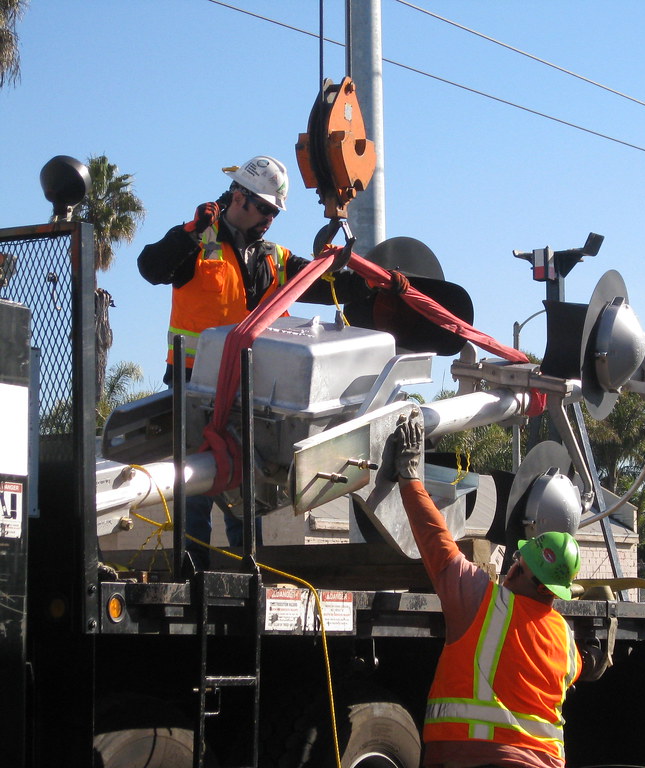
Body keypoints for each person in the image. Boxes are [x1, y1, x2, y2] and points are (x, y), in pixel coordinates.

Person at [137, 155, 408, 568]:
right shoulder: (196, 241)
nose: (269, 218)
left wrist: (380, 282)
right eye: (264, 209)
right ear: (239, 197)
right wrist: (190, 231)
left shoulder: (274, 259)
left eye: (274, 212)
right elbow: (150, 267)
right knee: (195, 486)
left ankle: (249, 571)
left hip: (249, 393)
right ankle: (192, 573)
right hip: (192, 388)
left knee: (247, 491)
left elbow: (326, 284)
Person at [386, 411, 586, 768]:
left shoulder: (484, 601)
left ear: (532, 578)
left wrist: (410, 479)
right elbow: (575, 670)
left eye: (519, 565)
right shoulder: (566, 641)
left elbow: (438, 544)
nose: (511, 567)